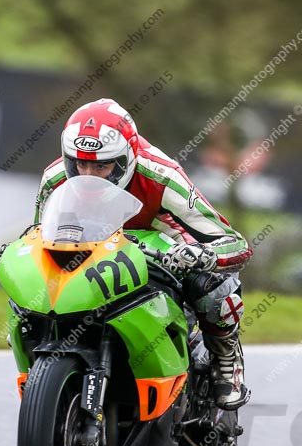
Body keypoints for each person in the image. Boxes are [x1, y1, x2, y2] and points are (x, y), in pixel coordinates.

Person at [34, 98, 253, 409]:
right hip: (95, 250)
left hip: (164, 252)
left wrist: (198, 255)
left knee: (210, 281)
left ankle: (226, 357)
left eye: (101, 165)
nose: (88, 174)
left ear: (126, 159)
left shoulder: (162, 177)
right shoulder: (55, 179)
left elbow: (234, 243)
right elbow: (37, 237)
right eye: (80, 163)